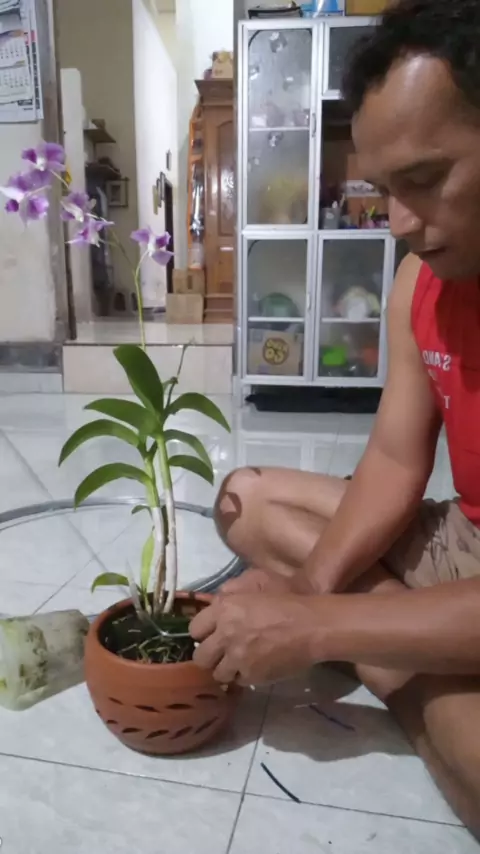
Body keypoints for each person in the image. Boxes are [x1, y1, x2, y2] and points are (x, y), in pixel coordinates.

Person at [190, 0, 480, 837]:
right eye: (385, 190)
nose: (400, 223)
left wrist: (320, 626)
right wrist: (309, 590)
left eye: (425, 179)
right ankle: (414, 654)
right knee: (245, 500)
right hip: (464, 538)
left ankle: (409, 675)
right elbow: (392, 462)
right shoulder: (422, 285)